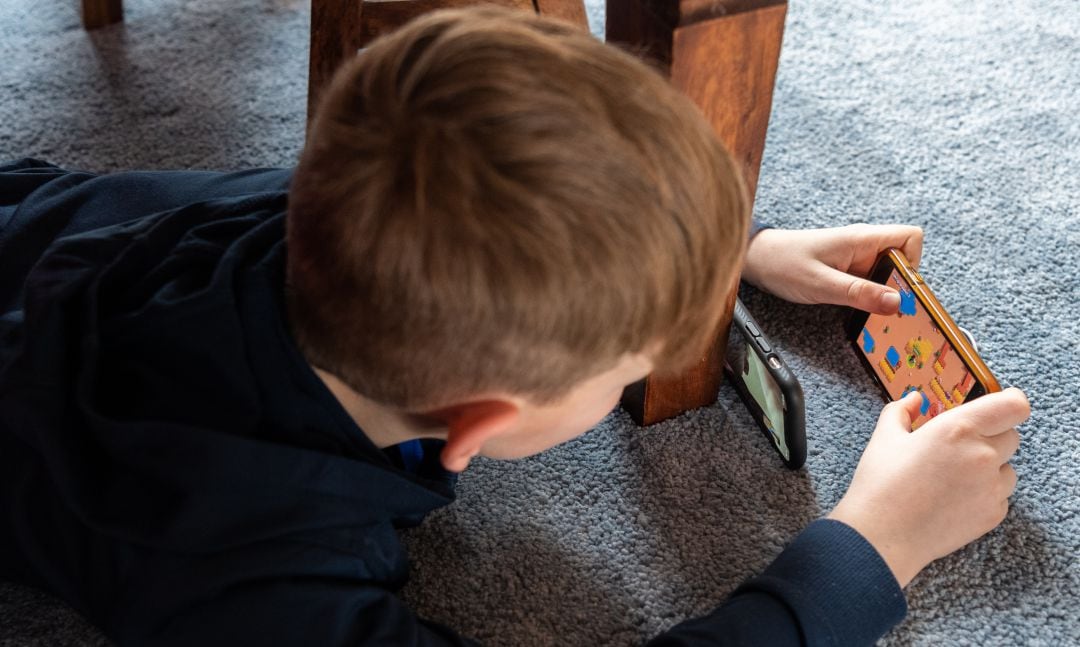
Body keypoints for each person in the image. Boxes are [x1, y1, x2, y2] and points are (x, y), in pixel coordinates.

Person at [0, 8, 1029, 646]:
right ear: (481, 421)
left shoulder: (318, 200)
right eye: (638, 354)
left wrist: (727, 248)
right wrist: (870, 546)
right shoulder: (243, 568)